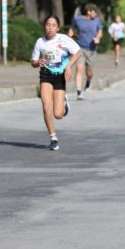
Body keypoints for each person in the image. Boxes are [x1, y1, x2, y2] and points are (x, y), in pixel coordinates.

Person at [31, 15, 81, 151]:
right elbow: (33, 62)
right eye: (48, 24)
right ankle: (53, 138)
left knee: (58, 114)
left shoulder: (63, 39)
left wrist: (69, 65)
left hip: (60, 76)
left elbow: (78, 52)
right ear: (44, 26)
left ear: (58, 28)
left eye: (53, 25)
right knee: (46, 105)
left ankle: (64, 102)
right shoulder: (40, 42)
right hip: (46, 75)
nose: (50, 27)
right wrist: (38, 62)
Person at [68, 4, 102, 99]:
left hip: (91, 49)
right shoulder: (77, 19)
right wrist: (72, 38)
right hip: (80, 48)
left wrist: (98, 38)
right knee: (79, 68)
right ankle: (79, 91)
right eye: (94, 11)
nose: (95, 13)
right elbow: (71, 30)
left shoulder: (96, 20)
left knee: (89, 72)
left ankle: (88, 81)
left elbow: (100, 31)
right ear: (88, 12)